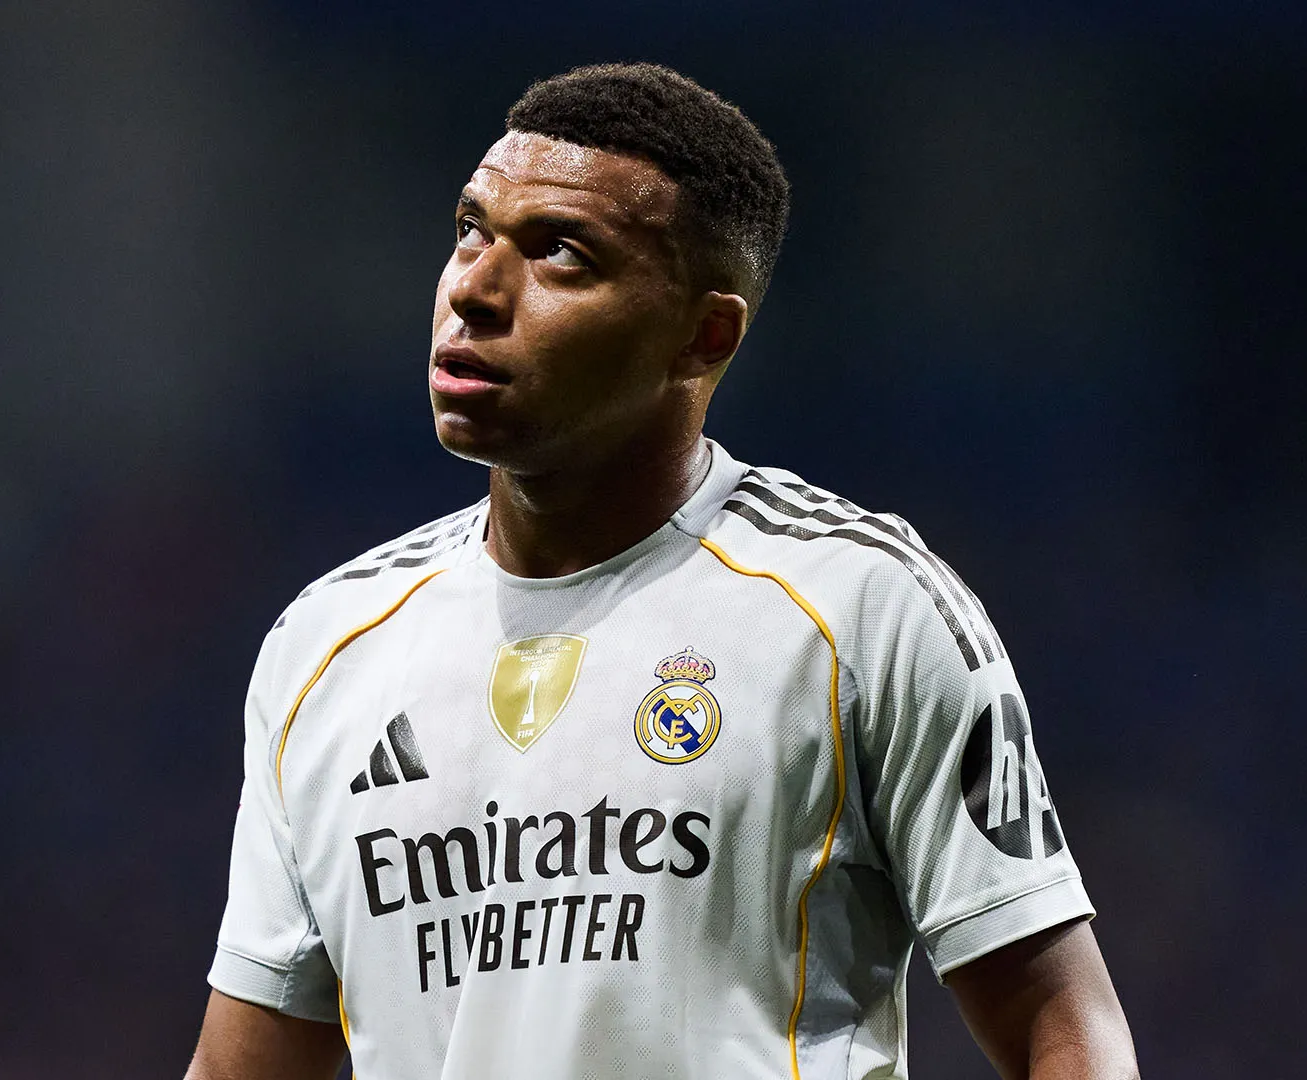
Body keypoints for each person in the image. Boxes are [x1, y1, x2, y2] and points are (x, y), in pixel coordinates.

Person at [185, 62, 1138, 1080]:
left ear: (703, 334)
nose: (473, 289)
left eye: (560, 252)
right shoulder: (326, 648)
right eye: (471, 230)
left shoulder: (859, 607)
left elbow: (1063, 1028)